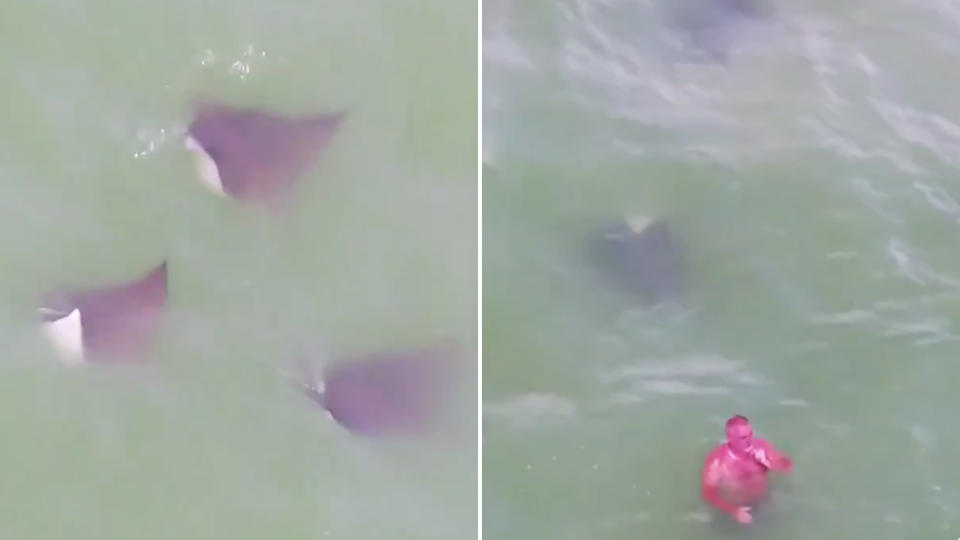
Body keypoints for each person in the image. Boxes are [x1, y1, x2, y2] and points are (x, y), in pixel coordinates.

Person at [701, 414, 793, 524]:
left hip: (762, 501)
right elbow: (708, 493)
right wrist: (733, 510)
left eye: (750, 435)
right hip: (734, 508)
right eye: (743, 438)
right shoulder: (718, 461)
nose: (749, 441)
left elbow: (788, 466)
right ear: (731, 439)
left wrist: (770, 464)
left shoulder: (762, 447)